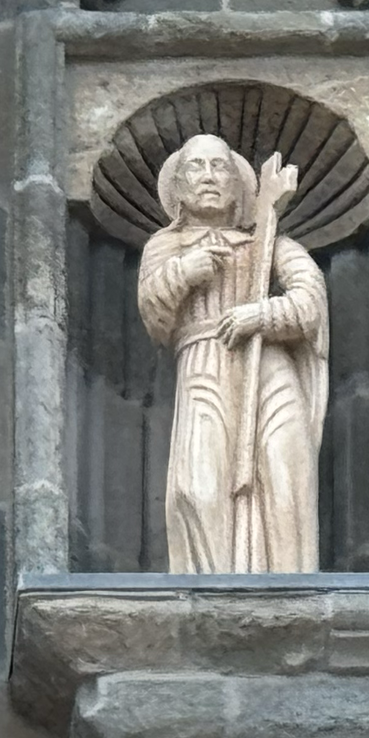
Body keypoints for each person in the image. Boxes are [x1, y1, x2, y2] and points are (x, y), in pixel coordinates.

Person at [136, 133, 327, 573]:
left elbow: (311, 304)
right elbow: (154, 317)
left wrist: (260, 315)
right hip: (204, 362)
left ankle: (285, 579)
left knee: (282, 473)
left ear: (239, 185)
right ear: (179, 187)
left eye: (219, 166)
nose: (208, 177)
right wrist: (186, 272)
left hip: (269, 370)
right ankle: (210, 587)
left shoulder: (269, 243)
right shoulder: (164, 248)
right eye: (196, 167)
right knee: (198, 487)